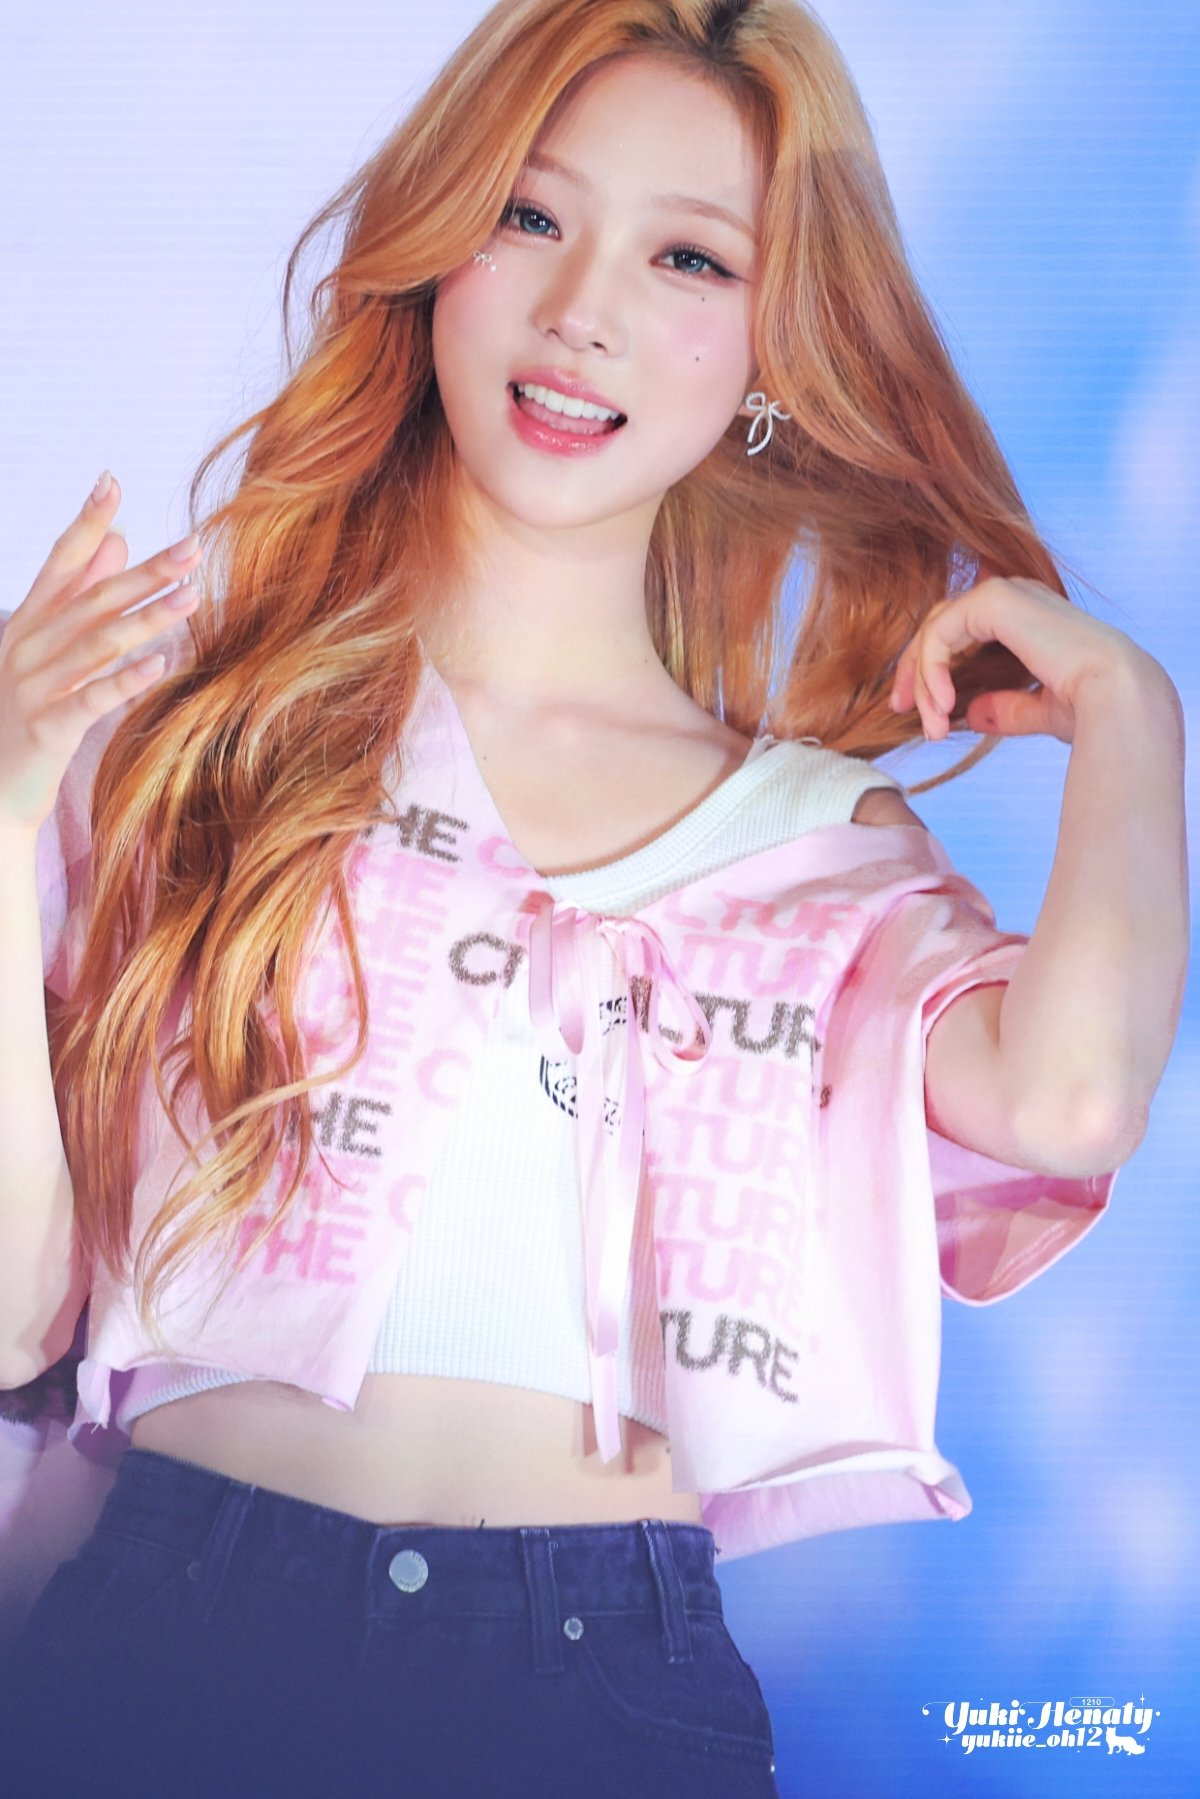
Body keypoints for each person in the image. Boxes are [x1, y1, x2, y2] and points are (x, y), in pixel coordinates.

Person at [0, 1, 1186, 1794]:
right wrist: (10, 799)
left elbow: (1073, 1100)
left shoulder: (809, 845)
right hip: (168, 1639)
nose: (582, 312)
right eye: (530, 214)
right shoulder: (202, 748)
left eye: (686, 256)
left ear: (771, 346)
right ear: (434, 253)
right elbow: (23, 1314)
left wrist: (1138, 717)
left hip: (595, 1693)